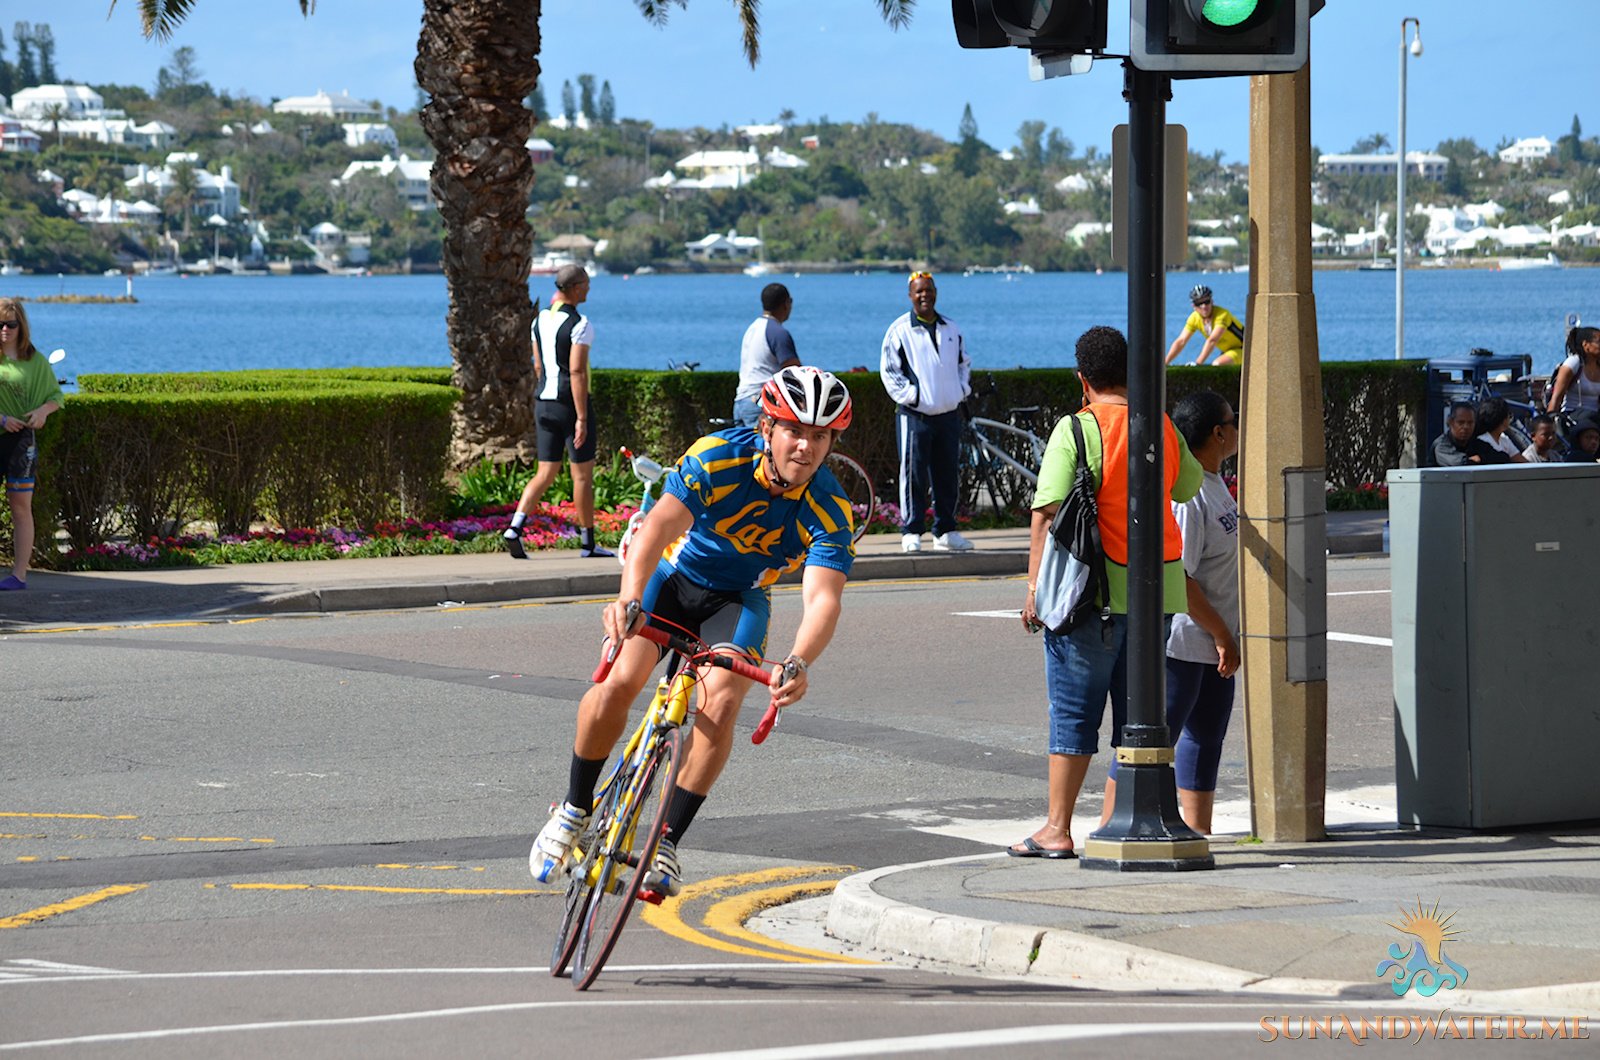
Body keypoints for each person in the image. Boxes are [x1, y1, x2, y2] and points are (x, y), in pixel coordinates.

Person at [530, 365, 857, 896]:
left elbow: (823, 598)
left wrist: (797, 662)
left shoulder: (828, 508)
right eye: (794, 430)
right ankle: (573, 809)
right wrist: (628, 600)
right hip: (673, 578)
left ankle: (666, 841)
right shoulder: (717, 457)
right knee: (620, 681)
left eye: (819, 436)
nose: (805, 447)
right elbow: (658, 527)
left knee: (722, 704)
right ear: (768, 428)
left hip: (738, 599)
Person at [1013, 326, 1202, 858]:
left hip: (1088, 597)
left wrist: (1034, 588)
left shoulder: (1076, 430)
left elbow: (1046, 515)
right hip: (1158, 596)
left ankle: (1056, 828)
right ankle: (1117, 821)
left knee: (1074, 715)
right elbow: (1186, 486)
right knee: (1136, 720)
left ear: (1083, 379)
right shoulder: (1160, 426)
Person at [1099, 391, 1238, 836]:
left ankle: (1199, 832)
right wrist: (1219, 631)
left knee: (1205, 738)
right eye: (1233, 421)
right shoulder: (1191, 497)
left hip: (1215, 641)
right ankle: (1110, 824)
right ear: (1218, 433)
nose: (1238, 429)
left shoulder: (1214, 483)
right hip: (1185, 638)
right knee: (1151, 743)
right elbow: (1181, 576)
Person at [503, 265, 613, 559]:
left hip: (544, 402)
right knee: (581, 477)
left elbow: (538, 366)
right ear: (575, 287)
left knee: (545, 472)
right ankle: (588, 544)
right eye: (587, 285)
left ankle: (514, 527)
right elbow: (577, 371)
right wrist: (582, 418)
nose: (589, 290)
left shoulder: (538, 320)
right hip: (569, 404)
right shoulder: (581, 324)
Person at [880, 271, 973, 553]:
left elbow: (964, 363)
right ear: (910, 295)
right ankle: (912, 530)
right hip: (914, 416)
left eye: (928, 290)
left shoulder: (951, 328)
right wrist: (913, 397)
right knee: (913, 475)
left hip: (947, 414)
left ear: (936, 292)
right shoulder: (899, 330)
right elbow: (889, 371)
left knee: (947, 475)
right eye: (918, 291)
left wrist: (960, 391)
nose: (924, 295)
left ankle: (945, 531)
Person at [0, 299, 64, 591]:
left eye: (10, 324)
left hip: (21, 441)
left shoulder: (35, 361)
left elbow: (55, 397)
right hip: (2, 430)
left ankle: (19, 575)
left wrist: (41, 412)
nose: (4, 330)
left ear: (20, 326)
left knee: (21, 507)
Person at [732, 283, 800, 428]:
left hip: (741, 400)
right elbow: (794, 372)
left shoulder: (753, 328)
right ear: (786, 303)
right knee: (765, 449)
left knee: (746, 450)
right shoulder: (778, 333)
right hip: (760, 401)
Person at [1164, 285, 1245, 367]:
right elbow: (1181, 341)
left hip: (1244, 348)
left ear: (1212, 301)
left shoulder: (1222, 315)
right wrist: (1165, 363)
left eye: (1207, 302)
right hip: (1228, 351)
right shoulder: (1194, 318)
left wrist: (1198, 364)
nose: (1204, 306)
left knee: (1218, 364)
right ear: (1194, 306)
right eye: (1199, 303)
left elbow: (1212, 340)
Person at [1545, 326, 1600, 429]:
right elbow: (1556, 398)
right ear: (1586, 345)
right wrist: (1549, 426)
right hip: (1573, 417)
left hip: (1595, 418)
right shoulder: (1574, 363)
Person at [1430, 401, 1505, 467]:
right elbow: (1460, 464)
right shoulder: (1441, 445)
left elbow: (1503, 458)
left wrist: (1481, 458)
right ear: (1450, 422)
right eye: (1461, 422)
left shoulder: (1475, 443)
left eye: (1470, 423)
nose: (1466, 427)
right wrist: (1472, 460)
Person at [1475, 396, 1527, 463]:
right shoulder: (1483, 440)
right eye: (1508, 415)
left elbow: (1521, 460)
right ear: (1502, 419)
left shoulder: (1504, 440)